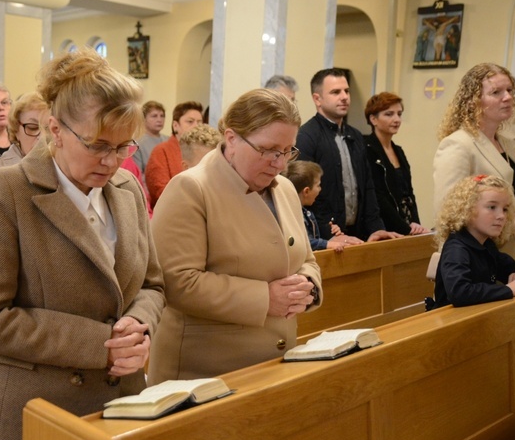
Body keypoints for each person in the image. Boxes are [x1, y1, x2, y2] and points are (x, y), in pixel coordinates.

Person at [0, 48, 164, 440]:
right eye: (98, 145)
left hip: (120, 398)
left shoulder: (126, 188)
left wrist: (139, 324)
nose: (111, 161)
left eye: (124, 146)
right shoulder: (9, 190)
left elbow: (153, 284)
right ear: (56, 129)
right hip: (36, 406)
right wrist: (101, 345)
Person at [147, 88, 321, 385]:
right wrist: (265, 298)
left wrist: (308, 285)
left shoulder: (285, 189)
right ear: (231, 139)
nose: (279, 164)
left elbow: (305, 258)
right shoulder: (191, 189)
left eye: (287, 151)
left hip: (274, 363)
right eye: (268, 150)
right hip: (204, 373)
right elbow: (178, 282)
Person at [296, 68, 402, 242]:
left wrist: (376, 228)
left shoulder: (356, 136)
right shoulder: (307, 137)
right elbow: (302, 194)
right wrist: (329, 233)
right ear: (317, 99)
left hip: (358, 233)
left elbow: (367, 187)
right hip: (325, 238)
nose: (344, 97)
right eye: (336, 92)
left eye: (346, 91)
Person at [433, 63, 515, 214]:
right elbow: (449, 210)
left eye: (509, 90)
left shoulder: (508, 144)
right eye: (496, 92)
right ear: (474, 101)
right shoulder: (457, 145)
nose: (508, 97)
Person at [432, 175, 515, 308]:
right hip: (451, 322)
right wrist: (509, 290)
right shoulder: (456, 248)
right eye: (492, 207)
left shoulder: (486, 244)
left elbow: (508, 266)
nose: (501, 216)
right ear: (467, 210)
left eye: (505, 209)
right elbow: (459, 292)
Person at [364, 92, 429, 235]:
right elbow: (379, 197)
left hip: (407, 224)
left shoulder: (398, 151)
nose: (396, 119)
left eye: (399, 114)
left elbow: (409, 193)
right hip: (385, 227)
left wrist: (416, 223)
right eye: (389, 114)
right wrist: (406, 229)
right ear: (373, 119)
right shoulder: (367, 149)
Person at [283, 160, 363, 252]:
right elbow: (302, 242)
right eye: (318, 185)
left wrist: (328, 231)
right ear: (306, 191)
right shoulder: (291, 215)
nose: (320, 189)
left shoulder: (306, 213)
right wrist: (328, 244)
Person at [0, 91, 49, 188]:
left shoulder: (63, 171)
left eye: (49, 129)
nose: (42, 137)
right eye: (32, 127)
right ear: (16, 129)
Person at [145, 100, 203, 206]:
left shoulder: (205, 152)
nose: (196, 126)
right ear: (176, 125)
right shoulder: (161, 151)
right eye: (190, 122)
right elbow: (160, 192)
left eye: (199, 122)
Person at [132, 100, 166, 185]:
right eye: (154, 116)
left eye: (162, 116)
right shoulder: (137, 142)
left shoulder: (168, 140)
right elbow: (137, 174)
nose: (159, 120)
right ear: (144, 119)